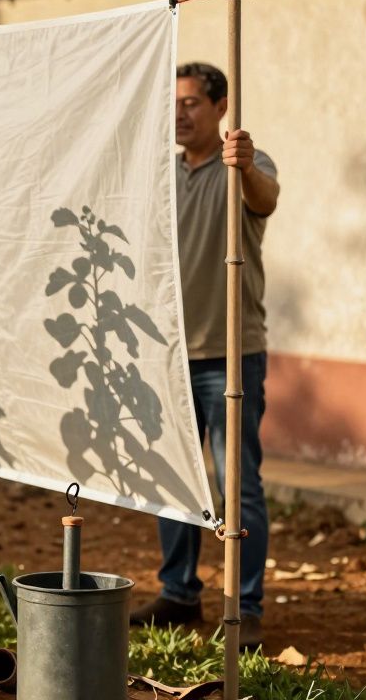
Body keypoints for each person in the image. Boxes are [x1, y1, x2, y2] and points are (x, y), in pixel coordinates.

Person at [129, 62, 280, 649]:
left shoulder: (245, 165)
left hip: (230, 356)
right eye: (174, 103)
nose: (180, 112)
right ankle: (178, 592)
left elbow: (264, 200)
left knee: (237, 486)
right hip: (167, 356)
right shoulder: (163, 174)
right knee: (173, 481)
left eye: (192, 102)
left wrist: (241, 166)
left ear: (220, 109)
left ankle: (245, 606)